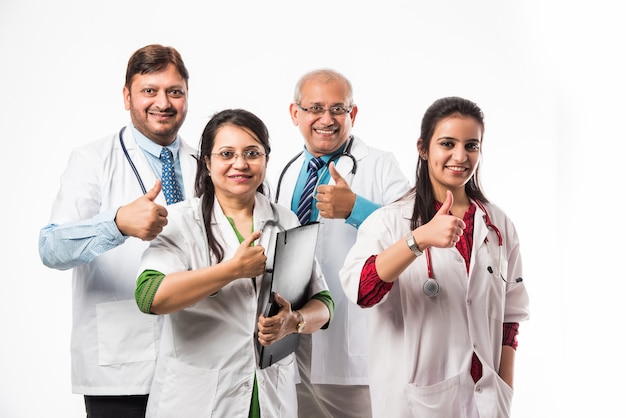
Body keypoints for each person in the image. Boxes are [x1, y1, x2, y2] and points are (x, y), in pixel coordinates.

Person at [134, 108, 334, 417]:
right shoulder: (180, 221)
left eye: (252, 153)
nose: (240, 164)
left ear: (266, 159)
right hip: (197, 399)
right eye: (227, 153)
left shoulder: (286, 220)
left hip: (269, 395)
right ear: (208, 162)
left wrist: (293, 322)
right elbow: (149, 296)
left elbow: (324, 302)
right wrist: (231, 270)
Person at [339, 96, 530, 417]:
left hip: (485, 402)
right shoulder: (388, 221)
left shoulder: (498, 224)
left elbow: (510, 319)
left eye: (471, 145)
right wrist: (418, 239)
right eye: (447, 143)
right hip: (413, 401)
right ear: (423, 148)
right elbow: (362, 291)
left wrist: (503, 389)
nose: (460, 156)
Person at [38, 44, 196, 418]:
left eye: (175, 91)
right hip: (124, 364)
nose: (163, 102)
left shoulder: (204, 161)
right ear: (127, 96)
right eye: (149, 91)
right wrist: (117, 224)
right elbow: (50, 247)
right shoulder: (92, 160)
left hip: (197, 360)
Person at [273, 68, 411, 418]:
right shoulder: (284, 171)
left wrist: (356, 209)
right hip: (292, 341)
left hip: (353, 348)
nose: (326, 119)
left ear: (353, 114)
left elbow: (416, 234)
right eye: (315, 108)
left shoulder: (379, 165)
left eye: (338, 109)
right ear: (295, 114)